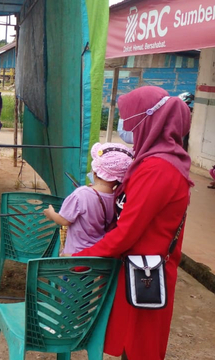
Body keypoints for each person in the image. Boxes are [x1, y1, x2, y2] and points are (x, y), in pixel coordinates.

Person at [73, 86, 192, 360]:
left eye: (130, 120)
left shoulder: (158, 169)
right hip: (138, 268)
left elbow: (127, 232)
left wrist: (78, 260)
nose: (125, 128)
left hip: (145, 274)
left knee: (139, 349)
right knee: (133, 344)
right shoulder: (154, 159)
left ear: (149, 119)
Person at [44, 142, 134, 254]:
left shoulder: (81, 194)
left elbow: (64, 220)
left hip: (75, 253)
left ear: (95, 172)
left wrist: (51, 214)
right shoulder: (118, 196)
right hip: (97, 252)